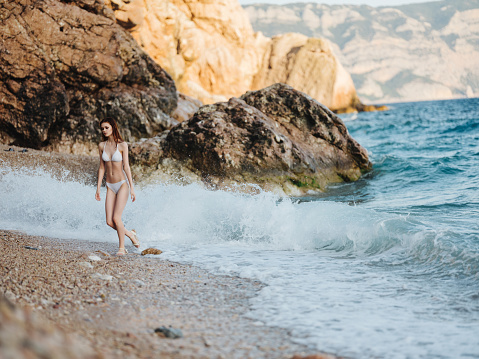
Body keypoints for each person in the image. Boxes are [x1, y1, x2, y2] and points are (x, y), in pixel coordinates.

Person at [95, 117, 139, 256]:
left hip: (122, 185)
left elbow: (126, 167)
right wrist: (97, 188)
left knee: (116, 218)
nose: (104, 130)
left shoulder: (122, 145)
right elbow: (102, 168)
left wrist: (132, 187)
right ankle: (130, 234)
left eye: (106, 127)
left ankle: (121, 248)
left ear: (113, 127)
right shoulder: (102, 146)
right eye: (102, 128)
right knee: (109, 221)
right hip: (109, 185)